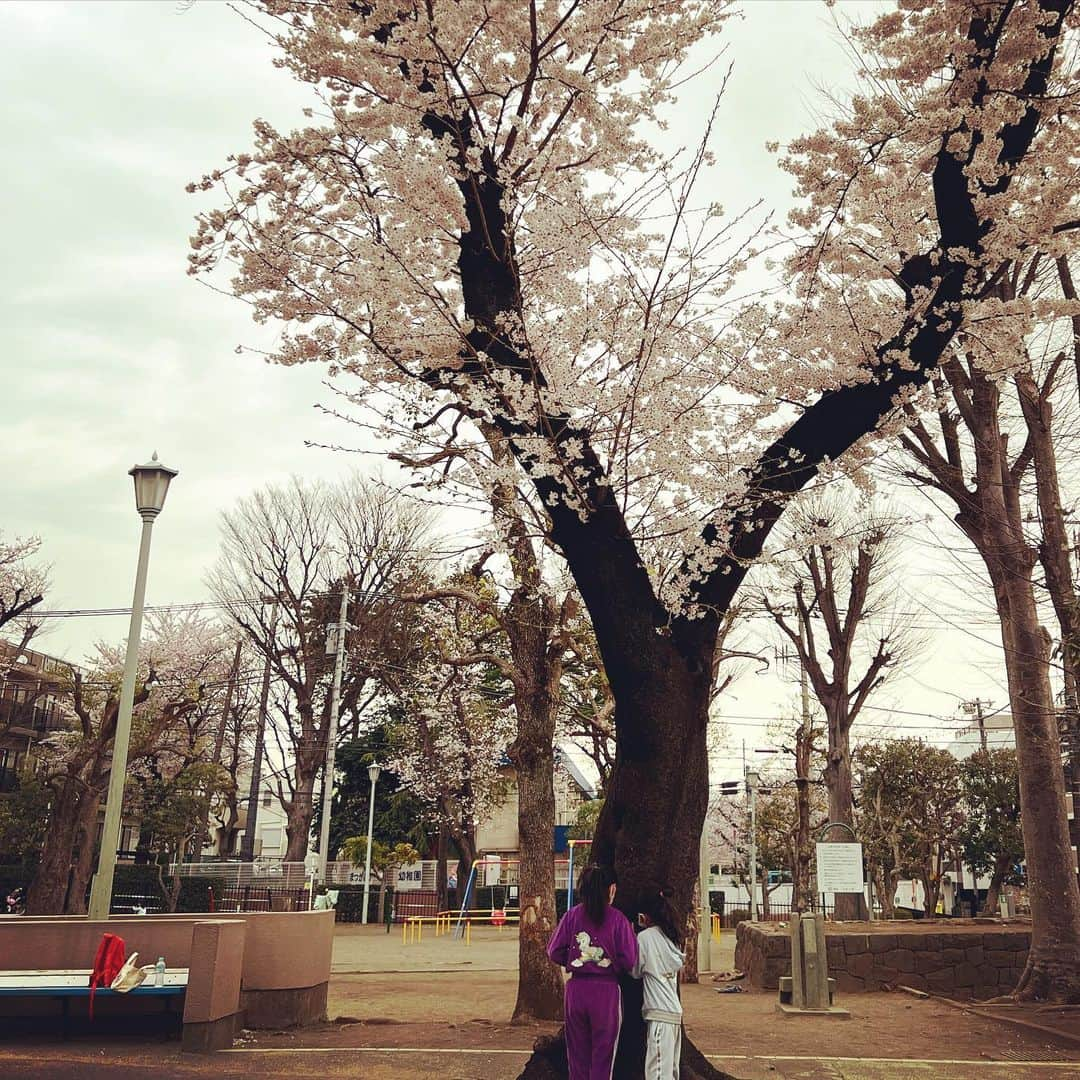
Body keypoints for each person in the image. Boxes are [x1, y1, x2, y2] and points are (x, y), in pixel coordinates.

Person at [547, 865, 638, 1080]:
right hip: (606, 992)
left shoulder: (572, 916)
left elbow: (554, 951)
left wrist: (573, 961)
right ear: (611, 890)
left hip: (576, 991)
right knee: (603, 1056)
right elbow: (629, 959)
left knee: (577, 1055)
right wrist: (610, 964)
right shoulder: (618, 920)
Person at [632, 886, 685, 1080]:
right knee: (669, 1069)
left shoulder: (645, 938)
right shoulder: (672, 937)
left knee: (657, 1072)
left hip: (659, 1013)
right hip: (673, 1011)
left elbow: (635, 971)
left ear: (645, 915)